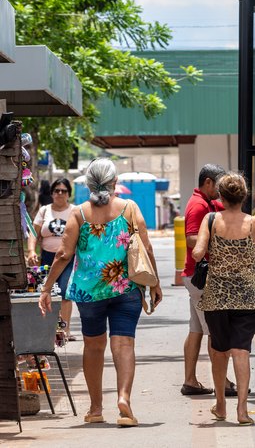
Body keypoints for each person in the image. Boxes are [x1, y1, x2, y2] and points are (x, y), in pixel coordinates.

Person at [38, 158, 163, 427]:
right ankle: (124, 399)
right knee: (124, 343)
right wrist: (155, 284)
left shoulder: (79, 213)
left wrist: (47, 288)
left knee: (94, 346)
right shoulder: (129, 208)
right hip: (126, 289)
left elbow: (63, 254)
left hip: (90, 294)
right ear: (114, 182)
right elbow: (147, 247)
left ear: (88, 183)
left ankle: (95, 409)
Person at [192, 173, 255, 425]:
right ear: (243, 196)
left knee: (219, 351)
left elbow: (197, 253)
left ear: (221, 197)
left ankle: (220, 405)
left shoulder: (211, 219)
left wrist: (201, 251)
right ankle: (242, 410)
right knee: (241, 351)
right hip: (248, 298)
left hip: (216, 298)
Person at [180, 164, 236, 396]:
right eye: (218, 185)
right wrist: (221, 241)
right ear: (208, 182)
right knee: (215, 332)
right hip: (201, 277)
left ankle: (190, 381)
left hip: (195, 277)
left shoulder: (209, 203)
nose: (220, 191)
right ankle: (223, 383)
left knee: (196, 330)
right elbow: (191, 239)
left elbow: (235, 205)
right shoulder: (199, 205)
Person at [33, 177, 78, 340]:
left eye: (63, 191)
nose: (60, 193)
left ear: (69, 194)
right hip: (47, 258)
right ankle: (48, 330)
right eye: (56, 190)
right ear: (51, 193)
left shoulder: (75, 211)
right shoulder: (44, 210)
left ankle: (64, 331)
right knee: (46, 291)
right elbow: (34, 233)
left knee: (65, 292)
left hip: (68, 258)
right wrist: (31, 251)